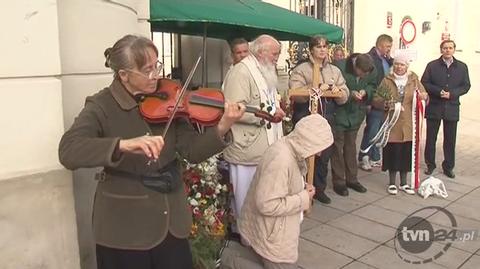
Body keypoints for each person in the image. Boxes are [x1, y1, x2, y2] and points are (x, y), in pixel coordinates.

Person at [58, 35, 245, 269]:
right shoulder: (101, 106)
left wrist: (223, 125)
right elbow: (68, 150)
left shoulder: (170, 97)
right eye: (147, 70)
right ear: (123, 75)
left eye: (157, 65)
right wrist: (122, 145)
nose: (156, 75)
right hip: (125, 230)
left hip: (172, 224)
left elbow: (192, 151)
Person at [238, 114, 334, 269]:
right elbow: (266, 204)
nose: (319, 154)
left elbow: (283, 184)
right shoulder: (281, 159)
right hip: (273, 237)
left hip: (273, 232)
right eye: (318, 148)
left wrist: (302, 188)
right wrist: (303, 197)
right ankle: (228, 260)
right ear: (308, 142)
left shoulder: (289, 148)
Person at [222, 34, 285, 225]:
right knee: (245, 196)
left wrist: (277, 108)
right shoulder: (241, 72)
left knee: (261, 194)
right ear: (261, 52)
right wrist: (267, 115)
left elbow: (268, 100)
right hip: (246, 149)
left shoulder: (264, 70)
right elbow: (233, 110)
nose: (277, 58)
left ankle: (258, 231)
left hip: (265, 147)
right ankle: (245, 233)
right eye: (275, 53)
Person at [289, 35, 349, 201]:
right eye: (318, 46)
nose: (322, 49)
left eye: (325, 46)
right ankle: (301, 189)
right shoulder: (302, 69)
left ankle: (319, 189)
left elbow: (344, 93)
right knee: (305, 154)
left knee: (324, 155)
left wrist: (337, 92)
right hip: (306, 115)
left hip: (327, 116)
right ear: (311, 49)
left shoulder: (334, 70)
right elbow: (295, 92)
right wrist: (313, 89)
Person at [372, 55, 428, 195]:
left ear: (406, 67)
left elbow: (424, 95)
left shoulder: (414, 79)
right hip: (392, 122)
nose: (399, 67)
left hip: (409, 123)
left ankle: (404, 182)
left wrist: (424, 97)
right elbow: (376, 99)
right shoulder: (387, 80)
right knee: (393, 152)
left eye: (402, 65)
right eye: (396, 64)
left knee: (406, 153)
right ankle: (392, 182)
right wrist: (385, 104)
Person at [421, 40, 470, 178]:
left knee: (450, 139)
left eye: (450, 48)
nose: (447, 50)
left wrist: (452, 94)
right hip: (435, 107)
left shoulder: (462, 67)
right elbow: (424, 82)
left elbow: (466, 86)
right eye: (445, 48)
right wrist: (438, 91)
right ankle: (430, 164)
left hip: (452, 108)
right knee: (431, 138)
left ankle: (448, 166)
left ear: (454, 49)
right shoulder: (432, 65)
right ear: (441, 49)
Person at [331, 53, 376, 195]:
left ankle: (352, 179)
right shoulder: (340, 67)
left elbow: (372, 85)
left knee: (351, 147)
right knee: (337, 149)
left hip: (356, 114)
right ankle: (339, 181)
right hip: (340, 113)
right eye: (360, 73)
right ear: (355, 65)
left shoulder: (370, 68)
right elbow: (333, 87)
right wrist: (350, 94)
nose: (362, 76)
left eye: (365, 74)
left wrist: (365, 91)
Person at [358, 34, 394, 171]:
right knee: (372, 129)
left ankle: (374, 156)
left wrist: (390, 58)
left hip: (383, 100)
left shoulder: (385, 59)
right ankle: (364, 156)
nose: (389, 49)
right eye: (387, 46)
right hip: (373, 100)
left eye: (390, 46)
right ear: (380, 45)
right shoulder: (369, 58)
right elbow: (366, 81)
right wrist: (367, 101)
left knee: (379, 129)